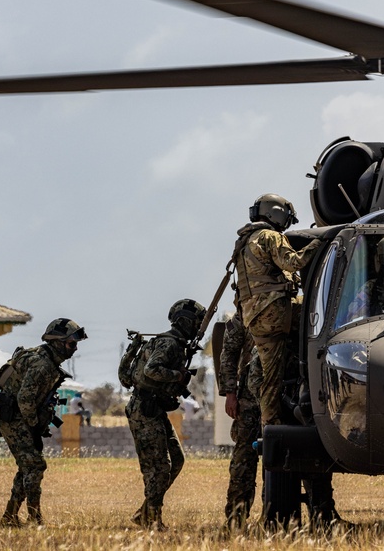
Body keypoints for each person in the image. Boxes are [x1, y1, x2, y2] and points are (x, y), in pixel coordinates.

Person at [233, 194, 319, 429]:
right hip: (276, 312)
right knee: (319, 311)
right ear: (277, 213)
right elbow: (294, 263)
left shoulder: (244, 243)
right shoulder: (271, 237)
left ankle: (269, 425)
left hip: (255, 318)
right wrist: (318, 244)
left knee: (270, 379)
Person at [0, 318, 87, 527]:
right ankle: (34, 518)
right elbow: (25, 399)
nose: (75, 348)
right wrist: (34, 425)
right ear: (58, 342)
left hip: (20, 416)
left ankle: (10, 517)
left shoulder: (47, 360)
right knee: (35, 465)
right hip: (15, 417)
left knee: (28, 466)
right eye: (72, 343)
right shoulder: (42, 364)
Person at [125, 299, 204, 531]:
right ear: (184, 322)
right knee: (158, 467)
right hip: (144, 409)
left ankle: (147, 511)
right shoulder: (169, 344)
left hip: (155, 408)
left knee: (176, 460)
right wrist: (177, 376)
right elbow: (151, 369)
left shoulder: (177, 343)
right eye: (196, 323)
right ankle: (152, 519)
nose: (198, 328)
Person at [215, 310, 261, 527]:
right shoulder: (245, 313)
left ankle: (320, 514)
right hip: (249, 400)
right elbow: (229, 353)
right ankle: (236, 518)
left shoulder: (293, 306)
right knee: (244, 459)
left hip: (285, 395)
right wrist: (230, 393)